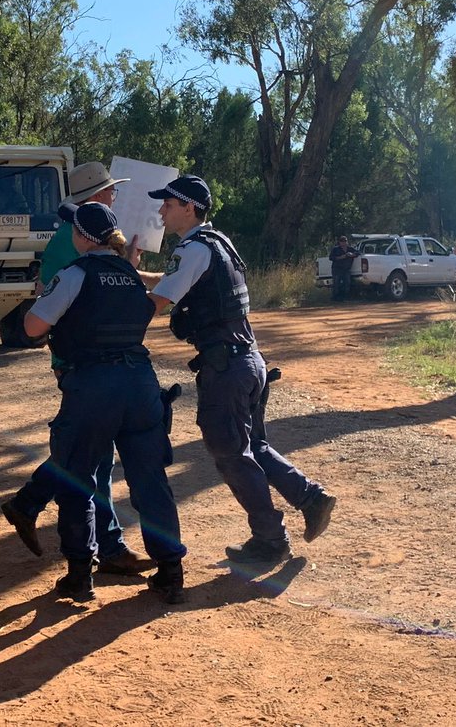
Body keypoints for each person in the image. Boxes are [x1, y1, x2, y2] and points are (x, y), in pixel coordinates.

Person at [140, 175, 337, 566]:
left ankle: (270, 539)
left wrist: (109, 299)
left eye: (168, 204)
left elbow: (158, 301)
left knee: (230, 453)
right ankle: (311, 498)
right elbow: (170, 282)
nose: (161, 210)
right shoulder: (216, 243)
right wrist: (133, 274)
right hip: (247, 360)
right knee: (252, 446)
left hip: (226, 368)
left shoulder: (192, 249)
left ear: (189, 208)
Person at [23, 202, 187, 604]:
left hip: (94, 385)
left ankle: (80, 576)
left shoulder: (75, 274)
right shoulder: (131, 276)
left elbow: (32, 328)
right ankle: (170, 572)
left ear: (79, 236)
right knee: (150, 479)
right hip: (141, 383)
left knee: (78, 478)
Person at [0, 162, 154, 578]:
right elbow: (57, 308)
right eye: (110, 192)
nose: (115, 198)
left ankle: (32, 507)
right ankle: (105, 549)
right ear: (96, 199)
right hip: (84, 365)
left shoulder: (81, 245)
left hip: (89, 366)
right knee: (90, 461)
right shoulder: (73, 248)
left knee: (82, 454)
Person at [329, 235, 357, 301]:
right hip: (337, 269)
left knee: (347, 283)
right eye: (342, 241)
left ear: (347, 242)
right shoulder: (335, 249)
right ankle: (335, 298)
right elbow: (331, 258)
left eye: (345, 241)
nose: (343, 242)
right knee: (336, 283)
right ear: (339, 242)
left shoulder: (350, 249)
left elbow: (358, 252)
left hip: (346, 269)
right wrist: (340, 257)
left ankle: (345, 297)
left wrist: (352, 254)